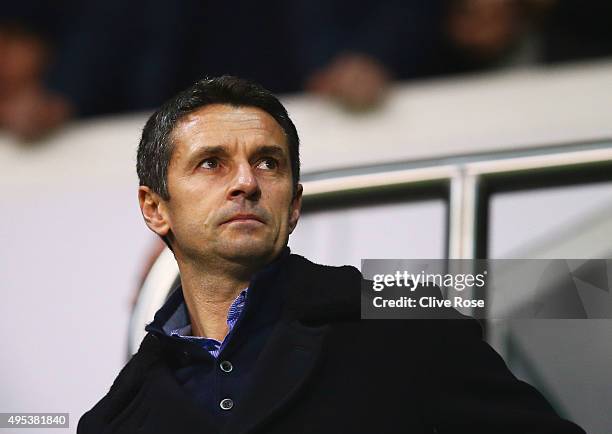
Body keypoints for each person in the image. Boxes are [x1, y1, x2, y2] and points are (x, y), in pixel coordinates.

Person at [78, 76, 584, 434]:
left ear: (293, 204)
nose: (246, 182)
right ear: (154, 208)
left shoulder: (403, 321)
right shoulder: (115, 417)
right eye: (212, 163)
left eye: (268, 163)